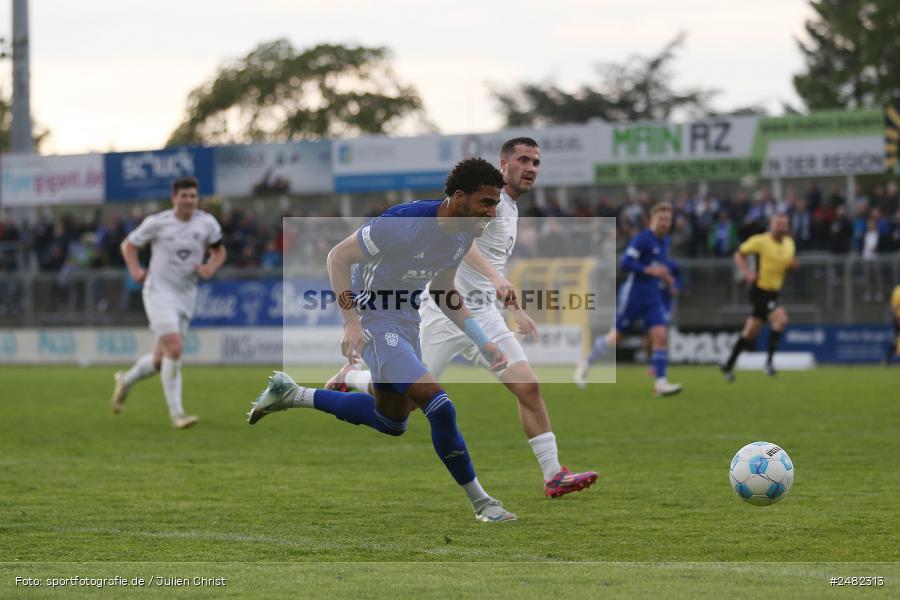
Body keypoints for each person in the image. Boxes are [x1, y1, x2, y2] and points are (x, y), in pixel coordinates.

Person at [246, 158, 518, 523]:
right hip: (375, 318)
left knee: (392, 422)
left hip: (407, 321)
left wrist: (481, 338)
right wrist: (351, 323)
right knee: (440, 405)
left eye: (496, 203)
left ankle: (295, 394)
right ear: (458, 197)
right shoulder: (404, 224)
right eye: (487, 202)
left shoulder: (463, 234)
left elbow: (442, 289)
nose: (493, 211)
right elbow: (337, 257)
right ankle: (484, 503)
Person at [324, 138, 598, 498]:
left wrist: (513, 308)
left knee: (527, 385)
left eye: (536, 162)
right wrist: (496, 278)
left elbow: (481, 254)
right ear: (504, 165)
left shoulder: (506, 207)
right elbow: (461, 243)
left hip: (482, 312)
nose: (530, 167)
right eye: (523, 160)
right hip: (443, 313)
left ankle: (553, 474)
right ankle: (356, 377)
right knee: (402, 404)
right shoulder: (484, 204)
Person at [110, 177, 226, 428]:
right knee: (174, 347)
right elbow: (128, 245)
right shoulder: (158, 223)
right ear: (174, 198)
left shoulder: (207, 223)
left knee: (160, 361)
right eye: (184, 196)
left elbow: (219, 251)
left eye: (193, 196)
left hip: (186, 296)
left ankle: (125, 381)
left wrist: (209, 268)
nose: (189, 201)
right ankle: (178, 414)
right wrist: (135, 270)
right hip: (158, 293)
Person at [575, 201, 683, 396]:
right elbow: (625, 262)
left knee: (660, 336)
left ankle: (661, 383)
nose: (665, 223)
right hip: (633, 294)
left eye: (668, 219)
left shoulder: (664, 241)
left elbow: (660, 264)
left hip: (653, 296)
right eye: (661, 219)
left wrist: (666, 276)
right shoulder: (642, 239)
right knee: (616, 337)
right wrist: (648, 270)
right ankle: (586, 362)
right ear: (652, 220)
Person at [720, 213, 797, 380]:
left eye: (784, 224)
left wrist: (792, 265)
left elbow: (786, 263)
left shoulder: (790, 244)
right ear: (771, 225)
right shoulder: (761, 241)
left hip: (774, 292)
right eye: (778, 224)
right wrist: (747, 273)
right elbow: (738, 254)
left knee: (750, 332)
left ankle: (728, 365)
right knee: (781, 319)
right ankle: (768, 363)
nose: (781, 227)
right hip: (760, 290)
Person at [886, 284, 900, 365]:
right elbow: (894, 306)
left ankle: (887, 359)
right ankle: (887, 359)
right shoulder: (898, 290)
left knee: (896, 339)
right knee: (896, 339)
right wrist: (897, 318)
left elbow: (893, 306)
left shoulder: (897, 290)